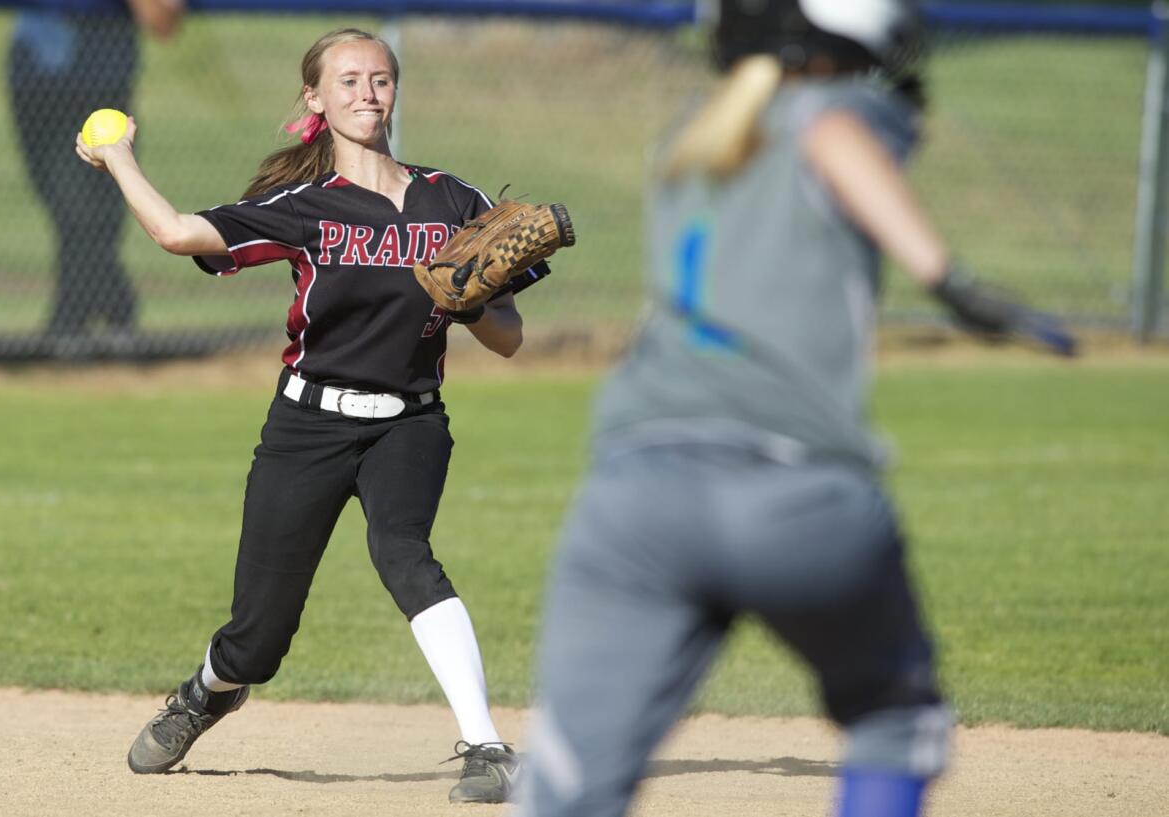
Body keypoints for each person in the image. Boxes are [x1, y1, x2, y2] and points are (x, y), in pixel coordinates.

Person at [515, 2, 1070, 816]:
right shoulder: (831, 110)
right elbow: (830, 136)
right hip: (794, 486)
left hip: (636, 488)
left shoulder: (688, 137)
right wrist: (947, 280)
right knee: (894, 714)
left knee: (571, 786)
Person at [75, 26, 546, 804]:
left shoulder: (455, 200)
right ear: (316, 100)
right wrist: (119, 156)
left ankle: (487, 745)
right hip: (308, 427)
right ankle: (208, 690)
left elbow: (508, 341)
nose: (368, 93)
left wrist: (473, 301)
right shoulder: (301, 208)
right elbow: (175, 233)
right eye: (351, 81)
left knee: (405, 553)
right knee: (259, 637)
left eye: (381, 79)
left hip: (410, 421)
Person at [11, 0, 186, 348]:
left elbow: (162, 22)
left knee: (98, 216)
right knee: (72, 213)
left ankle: (70, 326)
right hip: (33, 85)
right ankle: (112, 310)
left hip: (104, 94)